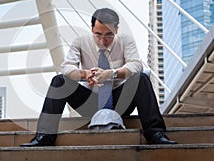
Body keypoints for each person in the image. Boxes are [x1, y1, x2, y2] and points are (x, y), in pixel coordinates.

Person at [20, 8, 177, 147]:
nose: (103, 40)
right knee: (59, 81)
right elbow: (66, 67)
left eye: (109, 35)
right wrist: (85, 74)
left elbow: (136, 65)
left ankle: (155, 134)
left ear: (117, 30)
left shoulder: (125, 41)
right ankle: (44, 136)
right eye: (98, 34)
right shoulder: (80, 42)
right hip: (90, 102)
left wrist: (112, 73)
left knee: (141, 78)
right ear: (92, 29)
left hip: (120, 102)